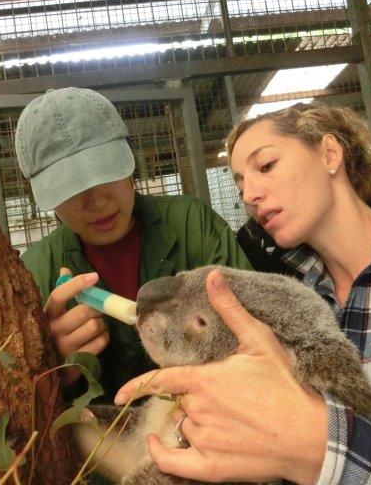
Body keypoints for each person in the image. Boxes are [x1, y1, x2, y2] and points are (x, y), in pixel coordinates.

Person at [114, 103, 371, 484]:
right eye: (240, 183)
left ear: (330, 154)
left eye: (266, 166)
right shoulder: (291, 287)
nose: (250, 194)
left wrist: (314, 444)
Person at [14, 86, 251, 414]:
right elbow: (25, 408)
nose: (97, 202)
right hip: (101, 440)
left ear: (129, 164)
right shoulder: (34, 273)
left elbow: (256, 334)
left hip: (212, 419)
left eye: (106, 172)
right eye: (71, 188)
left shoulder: (192, 225)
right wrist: (52, 373)